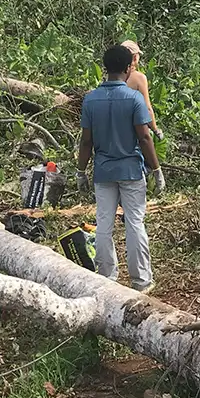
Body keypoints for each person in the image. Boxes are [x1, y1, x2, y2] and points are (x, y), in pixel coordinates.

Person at [76, 44, 166, 293]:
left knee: (104, 224)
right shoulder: (133, 98)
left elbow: (86, 140)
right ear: (128, 69)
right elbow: (144, 138)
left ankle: (107, 277)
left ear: (106, 68)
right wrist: (156, 169)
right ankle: (141, 280)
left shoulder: (91, 99)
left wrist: (81, 171)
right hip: (130, 171)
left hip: (103, 172)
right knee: (134, 222)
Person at [121, 40, 163, 140]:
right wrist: (155, 129)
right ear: (135, 57)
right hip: (133, 129)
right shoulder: (139, 78)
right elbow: (147, 108)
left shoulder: (112, 76)